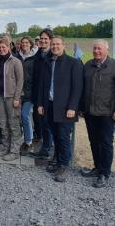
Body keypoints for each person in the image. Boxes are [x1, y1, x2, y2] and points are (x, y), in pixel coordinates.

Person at [81, 39, 115, 188]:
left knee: (106, 143)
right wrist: (82, 107)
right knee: (93, 141)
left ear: (106, 50)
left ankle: (105, 173)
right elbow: (83, 88)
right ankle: (97, 167)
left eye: (100, 49)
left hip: (107, 113)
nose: (96, 51)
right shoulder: (88, 65)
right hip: (90, 112)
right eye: (95, 48)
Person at [37, 36, 83, 183]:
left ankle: (64, 165)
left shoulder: (73, 63)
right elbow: (42, 85)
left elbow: (77, 88)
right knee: (55, 135)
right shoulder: (48, 62)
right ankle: (57, 161)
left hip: (65, 108)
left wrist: (72, 107)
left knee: (63, 137)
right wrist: (40, 104)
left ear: (64, 45)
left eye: (58, 44)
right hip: (49, 105)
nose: (55, 46)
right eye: (53, 44)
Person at [0, 38, 24, 161]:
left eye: (4, 47)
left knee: (13, 124)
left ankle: (14, 151)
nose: (1, 49)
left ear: (9, 47)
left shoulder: (15, 61)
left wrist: (17, 97)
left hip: (11, 98)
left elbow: (20, 81)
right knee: (3, 124)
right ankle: (6, 147)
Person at [29, 28, 54, 160]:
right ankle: (45, 148)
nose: (43, 41)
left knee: (49, 125)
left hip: (49, 97)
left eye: (46, 39)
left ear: (50, 40)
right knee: (42, 124)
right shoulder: (38, 57)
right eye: (41, 38)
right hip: (38, 95)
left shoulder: (53, 57)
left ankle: (47, 149)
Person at [16, 36, 38, 154]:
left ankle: (28, 142)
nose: (24, 44)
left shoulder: (35, 58)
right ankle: (25, 137)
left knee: (25, 115)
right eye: (22, 42)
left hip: (30, 93)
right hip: (18, 93)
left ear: (31, 44)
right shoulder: (17, 57)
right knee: (21, 117)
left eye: (26, 42)